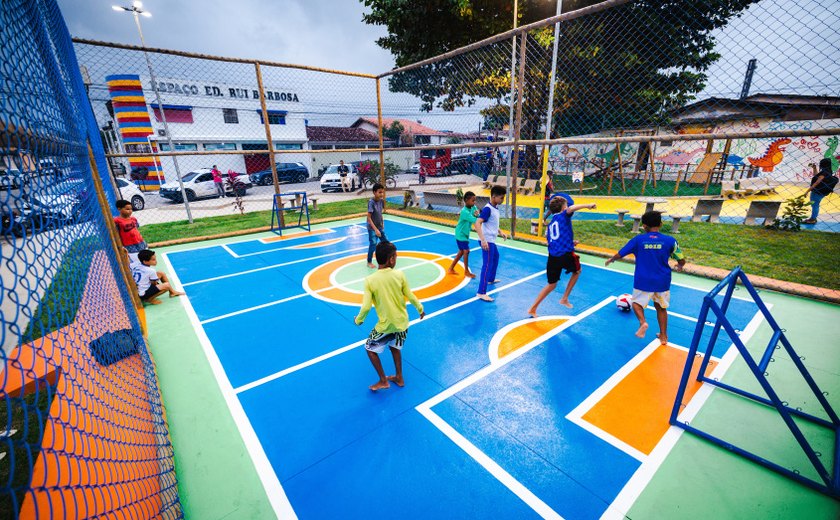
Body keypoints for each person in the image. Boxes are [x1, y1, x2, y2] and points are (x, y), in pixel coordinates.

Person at [605, 211, 686, 345]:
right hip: (662, 280)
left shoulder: (638, 240)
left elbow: (621, 253)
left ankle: (643, 322)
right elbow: (681, 258)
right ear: (660, 224)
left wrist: (612, 259)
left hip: (643, 280)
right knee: (661, 308)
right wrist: (680, 265)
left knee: (636, 303)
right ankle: (664, 336)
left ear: (644, 226)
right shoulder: (670, 241)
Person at [355, 241, 425, 391]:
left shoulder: (370, 280)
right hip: (402, 323)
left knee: (370, 348)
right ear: (391, 259)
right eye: (396, 256)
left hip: (386, 326)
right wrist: (420, 309)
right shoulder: (399, 275)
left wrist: (358, 320)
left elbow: (366, 306)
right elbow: (410, 295)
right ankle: (399, 377)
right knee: (395, 347)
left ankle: (383, 380)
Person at [527, 196, 597, 317]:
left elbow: (551, 239)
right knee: (577, 271)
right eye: (567, 206)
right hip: (565, 253)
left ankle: (533, 308)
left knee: (552, 284)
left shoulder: (551, 224)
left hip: (553, 256)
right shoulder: (564, 215)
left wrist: (570, 242)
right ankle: (564, 298)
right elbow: (571, 209)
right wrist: (588, 205)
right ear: (564, 207)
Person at [475, 185, 508, 302]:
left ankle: (490, 279)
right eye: (501, 198)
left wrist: (500, 232)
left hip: (491, 240)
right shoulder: (488, 209)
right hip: (487, 241)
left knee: (496, 257)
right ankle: (481, 292)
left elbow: (493, 223)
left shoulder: (495, 208)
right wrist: (483, 240)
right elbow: (477, 223)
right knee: (487, 265)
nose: (503, 200)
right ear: (494, 196)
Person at [448, 191, 479, 278]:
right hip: (460, 233)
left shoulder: (473, 207)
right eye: (473, 200)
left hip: (465, 233)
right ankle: (466, 271)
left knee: (461, 251)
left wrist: (478, 214)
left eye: (475, 200)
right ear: (466, 201)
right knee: (466, 251)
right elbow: (475, 219)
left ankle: (451, 268)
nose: (474, 202)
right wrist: (478, 216)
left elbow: (477, 214)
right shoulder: (464, 212)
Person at [803, 158, 838, 224]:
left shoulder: (824, 173)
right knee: (815, 205)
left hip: (817, 192)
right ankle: (813, 218)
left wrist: (807, 191)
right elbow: (817, 176)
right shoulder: (828, 172)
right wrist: (814, 168)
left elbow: (816, 182)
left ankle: (812, 219)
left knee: (815, 205)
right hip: (822, 192)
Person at [366, 183, 387, 268]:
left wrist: (382, 222)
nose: (381, 194)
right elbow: (368, 218)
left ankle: (386, 258)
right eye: (379, 192)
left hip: (379, 226)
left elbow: (380, 213)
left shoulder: (381, 201)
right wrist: (375, 230)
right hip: (372, 228)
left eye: (382, 192)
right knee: (373, 243)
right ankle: (369, 261)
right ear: (374, 192)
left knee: (385, 242)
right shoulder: (371, 202)